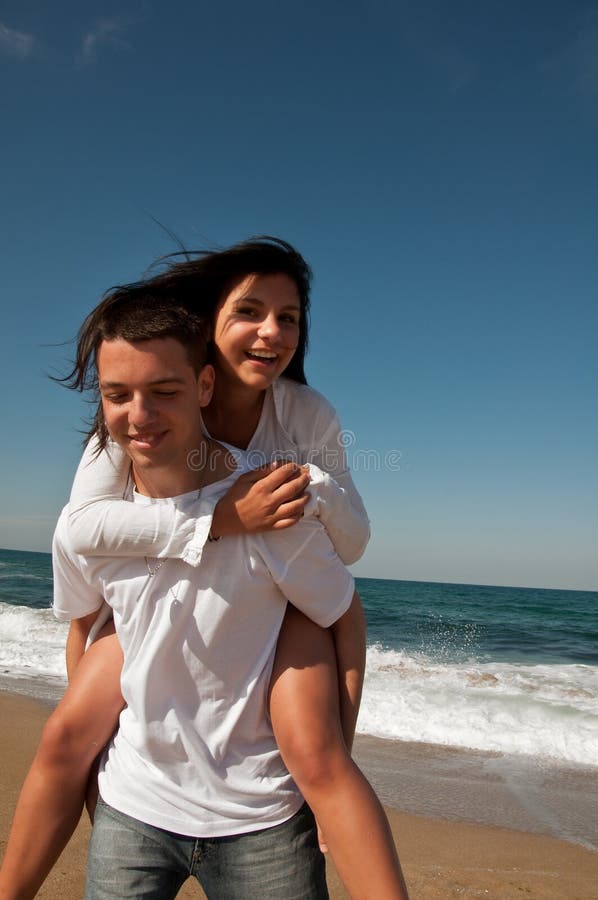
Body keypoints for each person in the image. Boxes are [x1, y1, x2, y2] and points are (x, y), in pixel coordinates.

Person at [0, 239, 409, 899]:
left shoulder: (301, 423)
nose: (272, 332)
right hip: (156, 613)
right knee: (67, 734)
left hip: (278, 589)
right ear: (208, 325)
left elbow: (350, 559)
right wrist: (216, 521)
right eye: (250, 311)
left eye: (290, 317)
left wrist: (311, 487)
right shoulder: (132, 426)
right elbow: (80, 532)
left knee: (314, 747)